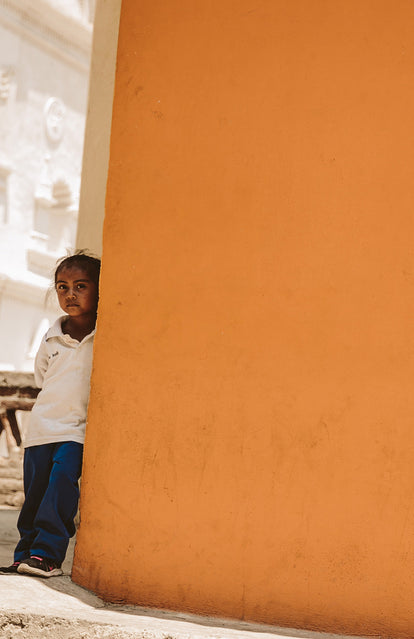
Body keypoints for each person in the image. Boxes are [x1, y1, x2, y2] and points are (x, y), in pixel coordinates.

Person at [0, 251, 100, 577]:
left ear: (99, 289)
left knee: (61, 487)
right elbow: (42, 378)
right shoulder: (51, 335)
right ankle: (25, 554)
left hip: (76, 430)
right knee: (34, 495)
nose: (70, 294)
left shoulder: (106, 336)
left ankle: (46, 556)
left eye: (81, 286)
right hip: (42, 428)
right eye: (62, 286)